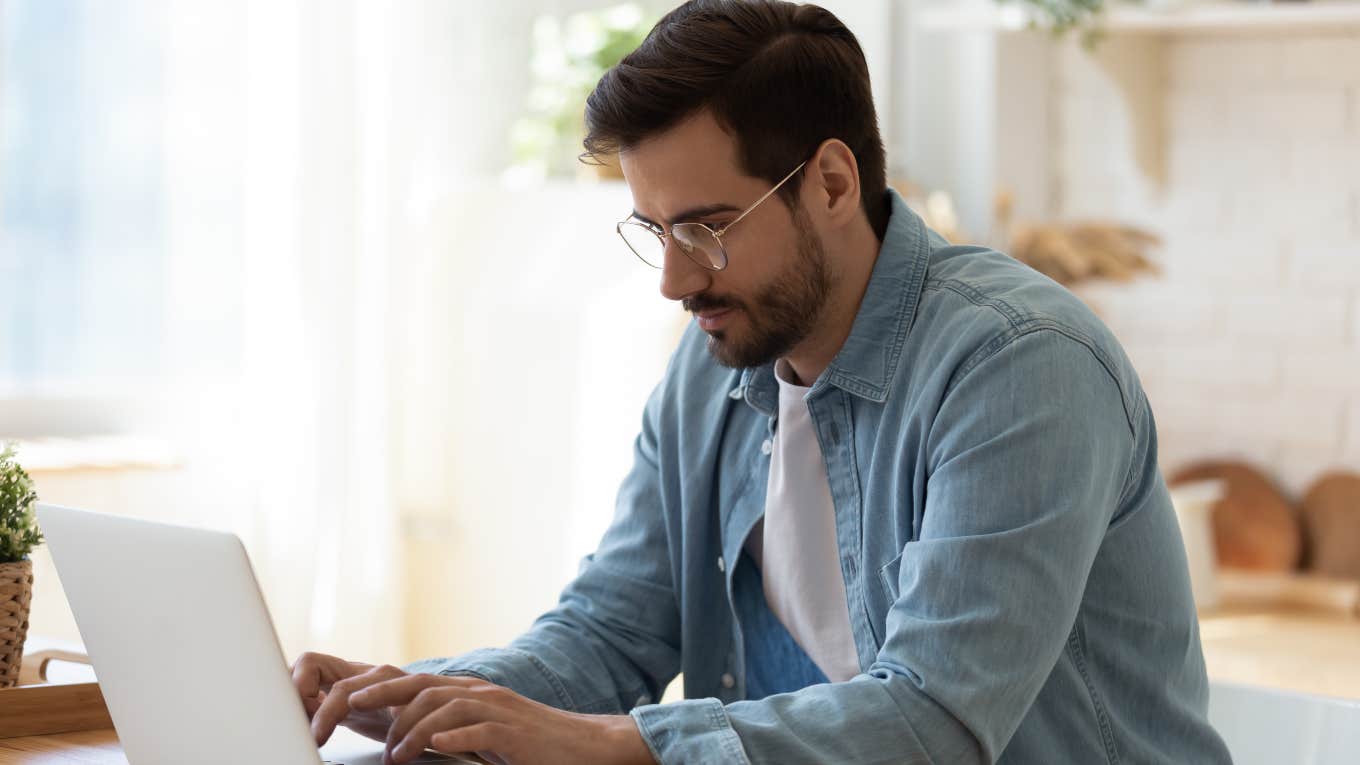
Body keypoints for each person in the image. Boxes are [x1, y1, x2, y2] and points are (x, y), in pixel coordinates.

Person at [292, 1, 1233, 763]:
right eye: (653, 232)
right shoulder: (710, 371)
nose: (674, 278)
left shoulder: (1019, 365)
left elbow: (937, 722)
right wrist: (421, 699)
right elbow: (611, 633)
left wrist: (609, 745)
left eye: (704, 229)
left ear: (830, 183)